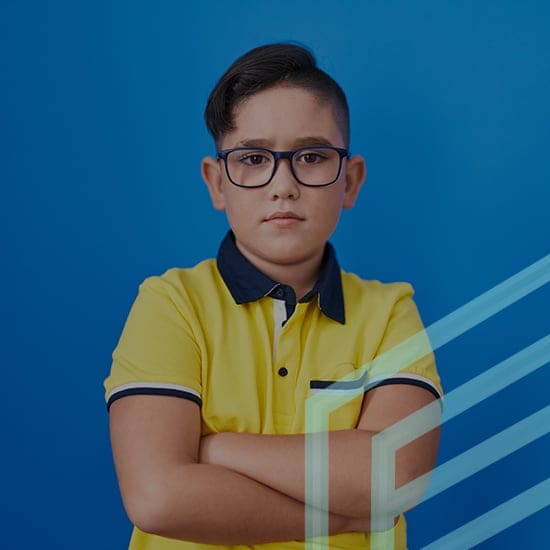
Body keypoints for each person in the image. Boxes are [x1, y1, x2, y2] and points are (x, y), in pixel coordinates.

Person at [104, 42, 442, 549]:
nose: (282, 185)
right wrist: (355, 514)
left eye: (310, 156)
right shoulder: (171, 304)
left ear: (349, 182)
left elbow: (393, 478)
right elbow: (158, 497)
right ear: (217, 183)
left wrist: (215, 450)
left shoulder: (390, 312)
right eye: (254, 158)